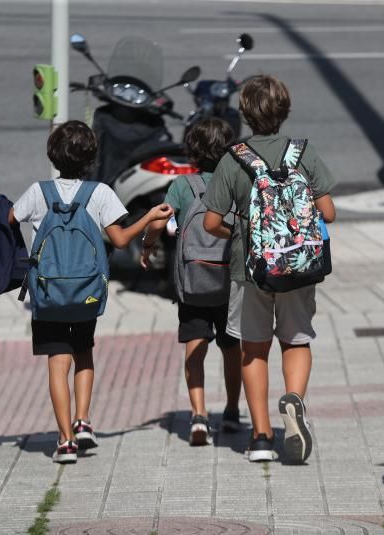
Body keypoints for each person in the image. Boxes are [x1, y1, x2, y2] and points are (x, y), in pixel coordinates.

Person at [0, 120, 173, 463]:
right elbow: (119, 240)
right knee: (84, 353)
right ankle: (84, 421)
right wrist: (147, 216)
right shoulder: (100, 192)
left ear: (53, 156)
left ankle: (66, 441)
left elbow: (5, 219)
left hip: (48, 295)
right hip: (87, 293)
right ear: (90, 159)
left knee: (58, 363)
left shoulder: (38, 192)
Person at [202, 75, 337, 463]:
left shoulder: (234, 158)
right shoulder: (303, 152)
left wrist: (241, 230)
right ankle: (293, 398)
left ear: (244, 113)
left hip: (251, 270)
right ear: (285, 111)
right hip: (299, 265)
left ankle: (260, 436)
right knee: (296, 341)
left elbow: (211, 223)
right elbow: (328, 212)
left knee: (253, 349)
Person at [140, 118, 243, 445]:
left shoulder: (182, 187)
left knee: (194, 347)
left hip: (193, 282)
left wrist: (148, 243)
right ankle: (230, 411)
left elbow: (160, 218)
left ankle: (198, 416)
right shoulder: (237, 181)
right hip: (230, 281)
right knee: (232, 348)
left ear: (192, 152)